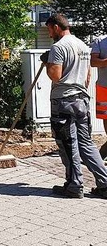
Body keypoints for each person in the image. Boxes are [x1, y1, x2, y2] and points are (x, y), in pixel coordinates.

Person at [41, 13, 107, 198]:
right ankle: (105, 183)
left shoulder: (59, 47)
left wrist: (47, 62)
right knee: (86, 143)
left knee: (68, 144)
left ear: (55, 27)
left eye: (49, 29)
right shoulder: (83, 46)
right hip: (82, 101)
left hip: (64, 101)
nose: (49, 33)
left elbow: (56, 75)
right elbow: (87, 78)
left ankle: (74, 185)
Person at [90, 34, 107, 159]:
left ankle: (102, 154)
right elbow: (93, 62)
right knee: (106, 119)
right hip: (104, 87)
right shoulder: (99, 41)